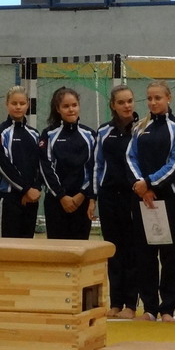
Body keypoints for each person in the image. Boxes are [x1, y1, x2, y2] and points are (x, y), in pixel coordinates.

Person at [126, 80, 175, 322]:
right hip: (143, 198)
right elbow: (130, 158)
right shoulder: (139, 127)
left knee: (169, 255)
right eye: (150, 98)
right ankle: (150, 307)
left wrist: (151, 183)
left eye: (158, 98)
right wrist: (140, 187)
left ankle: (168, 309)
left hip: (169, 196)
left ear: (168, 98)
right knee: (145, 255)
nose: (153, 102)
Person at [94, 85, 141, 319]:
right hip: (109, 197)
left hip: (133, 196)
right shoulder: (104, 131)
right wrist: (95, 196)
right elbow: (97, 165)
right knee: (113, 250)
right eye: (121, 102)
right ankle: (115, 303)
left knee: (131, 250)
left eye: (130, 101)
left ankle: (131, 304)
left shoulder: (142, 129)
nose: (127, 106)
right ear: (113, 105)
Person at [39, 86, 97, 240]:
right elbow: (46, 168)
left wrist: (82, 194)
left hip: (81, 202)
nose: (71, 109)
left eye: (74, 105)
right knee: (57, 250)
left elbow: (94, 168)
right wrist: (61, 196)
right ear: (58, 109)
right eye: (66, 106)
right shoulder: (48, 134)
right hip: (56, 202)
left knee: (80, 249)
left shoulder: (90, 135)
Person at [0, 86, 42, 239]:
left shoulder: (34, 134)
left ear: (28, 105)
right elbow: (4, 165)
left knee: (27, 245)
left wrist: (36, 188)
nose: (18, 107)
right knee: (7, 246)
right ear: (7, 104)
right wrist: (25, 189)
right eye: (14, 103)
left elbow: (40, 164)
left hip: (31, 199)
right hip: (9, 198)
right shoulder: (0, 131)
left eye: (22, 103)